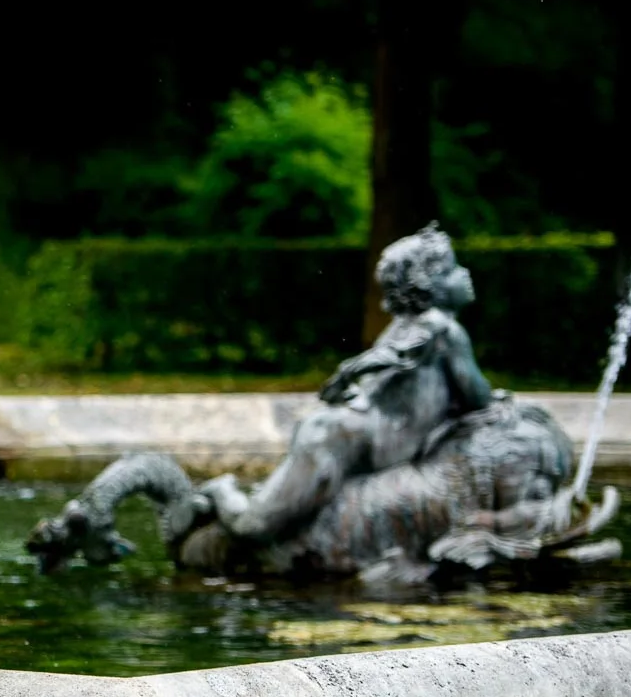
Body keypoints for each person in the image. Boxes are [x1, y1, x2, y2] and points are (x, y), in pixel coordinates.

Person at [204, 227, 495, 542]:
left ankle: (246, 498)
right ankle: (221, 490)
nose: (464, 274)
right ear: (429, 285)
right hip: (356, 440)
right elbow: (477, 396)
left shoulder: (404, 328)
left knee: (276, 511)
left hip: (355, 433)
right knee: (254, 528)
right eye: (452, 269)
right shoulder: (445, 331)